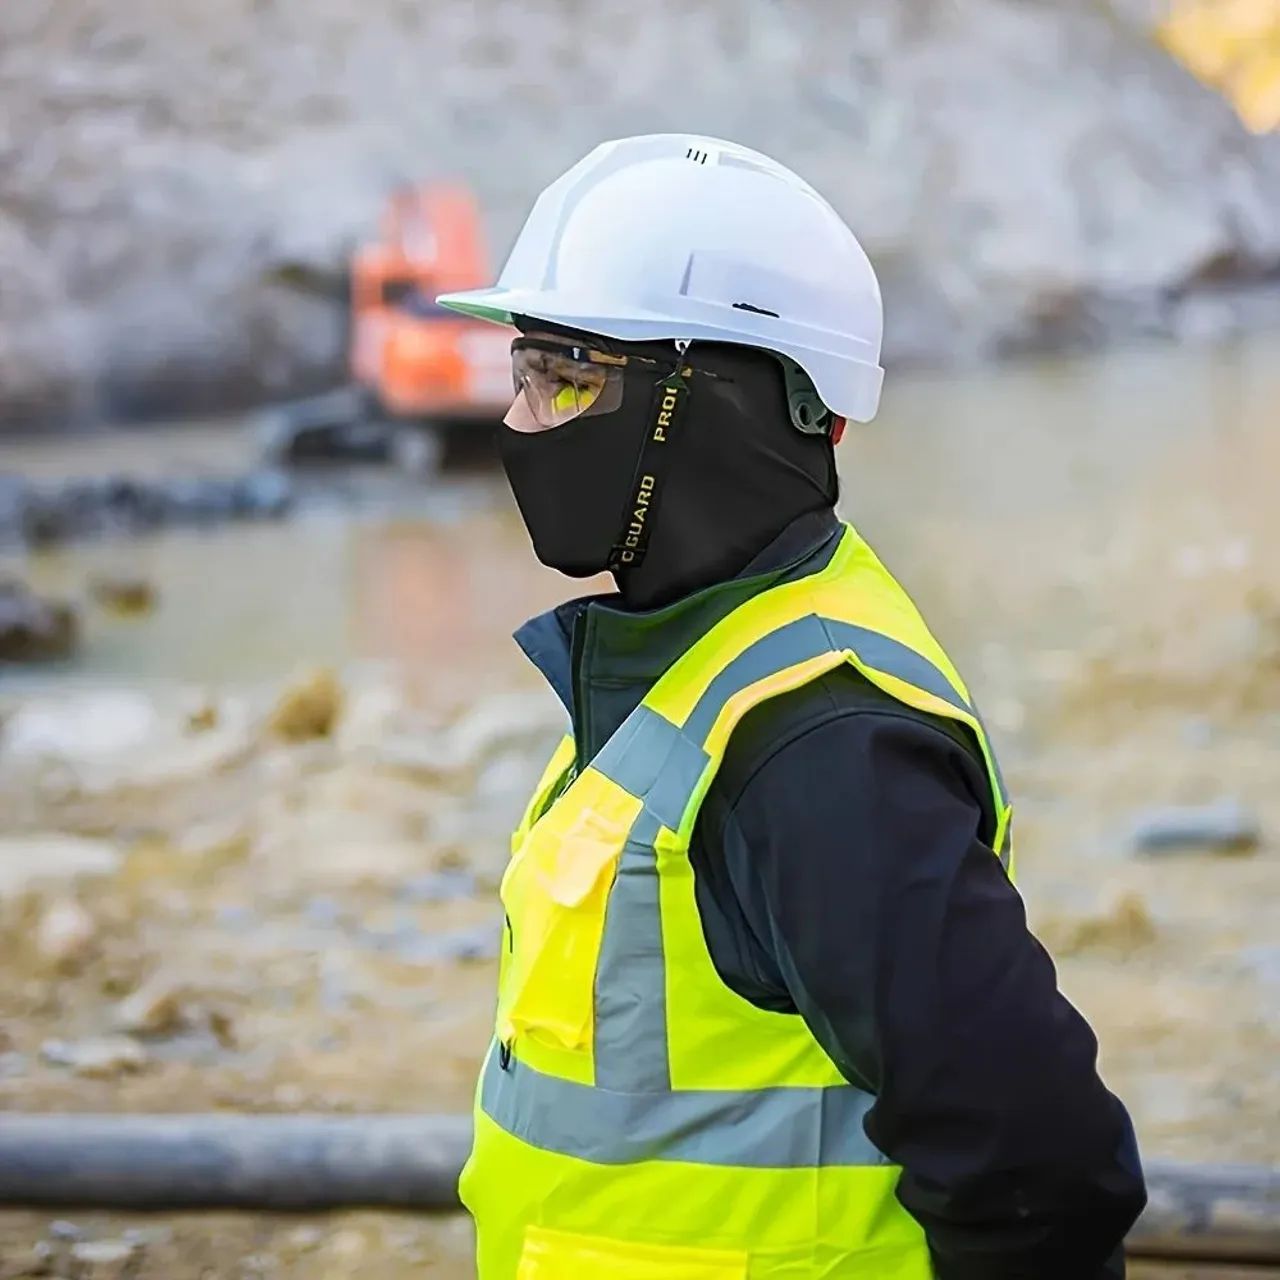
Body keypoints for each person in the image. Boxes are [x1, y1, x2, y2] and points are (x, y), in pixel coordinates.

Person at [437, 133, 1146, 1280]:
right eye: (524, 372)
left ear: (724, 406)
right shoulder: (679, 665)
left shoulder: (816, 743)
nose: (520, 426)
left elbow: (1036, 1166)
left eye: (567, 374)